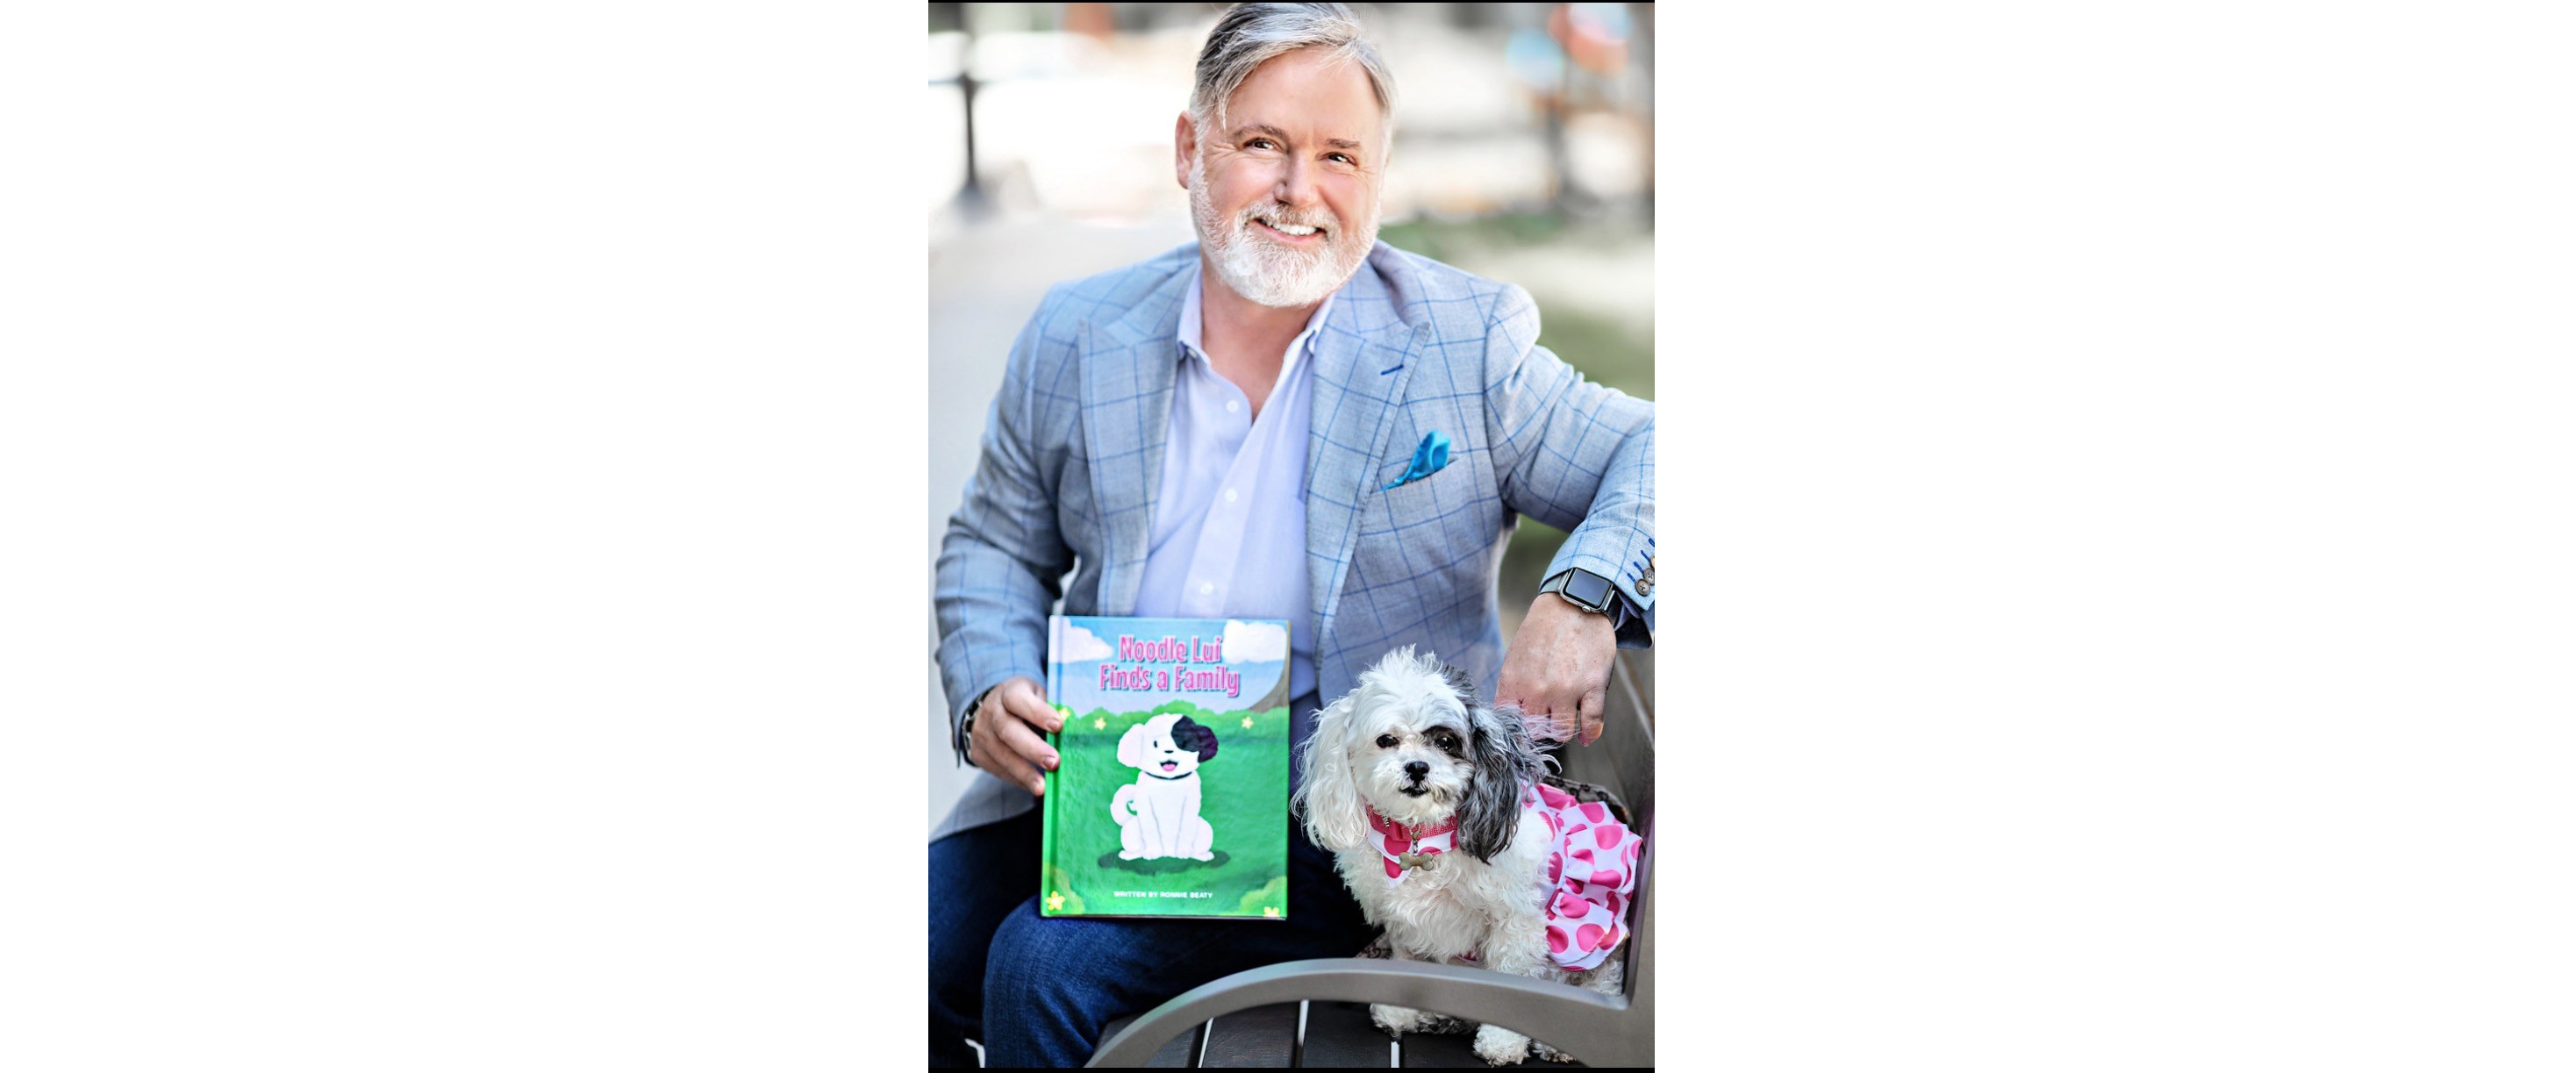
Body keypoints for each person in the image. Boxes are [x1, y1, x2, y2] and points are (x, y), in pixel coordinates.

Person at [927, 4, 1654, 1065]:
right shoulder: (1077, 334)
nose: (1296, 190)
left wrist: (1580, 594)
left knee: (1034, 966)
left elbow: (1659, 453)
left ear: (1377, 172)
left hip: (1346, 821)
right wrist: (989, 682)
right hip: (1096, 782)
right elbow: (990, 541)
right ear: (1190, 148)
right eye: (1260, 143)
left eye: (1337, 156)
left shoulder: (1463, 341)